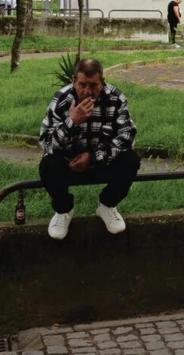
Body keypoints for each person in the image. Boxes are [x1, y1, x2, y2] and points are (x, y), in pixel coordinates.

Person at [38, 57, 140, 240]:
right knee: (48, 164)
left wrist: (93, 157)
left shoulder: (115, 98)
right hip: (69, 165)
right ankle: (63, 211)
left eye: (93, 85)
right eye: (82, 84)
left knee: (131, 159)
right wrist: (71, 122)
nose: (87, 92)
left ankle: (107, 205)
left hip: (102, 162)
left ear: (102, 82)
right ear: (73, 81)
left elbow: (126, 138)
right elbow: (46, 144)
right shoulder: (61, 100)